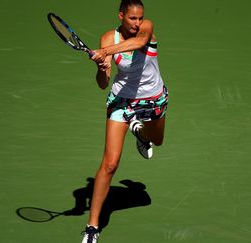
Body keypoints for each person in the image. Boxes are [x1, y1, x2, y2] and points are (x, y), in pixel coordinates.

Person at [81, 0, 168, 242]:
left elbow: (140, 42)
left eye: (140, 18)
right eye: (132, 18)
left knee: (157, 141)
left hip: (153, 98)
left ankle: (142, 134)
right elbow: (102, 83)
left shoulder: (145, 29)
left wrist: (106, 53)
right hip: (122, 101)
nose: (137, 22)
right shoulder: (108, 38)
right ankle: (92, 227)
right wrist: (101, 66)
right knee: (109, 164)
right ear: (121, 16)